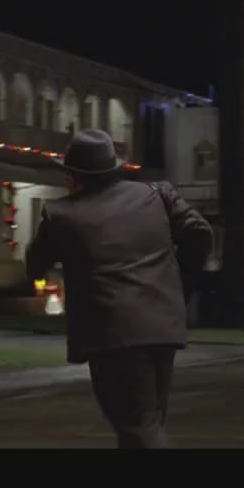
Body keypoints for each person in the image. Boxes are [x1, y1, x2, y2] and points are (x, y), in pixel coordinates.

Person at [26, 129, 213, 448]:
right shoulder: (158, 194)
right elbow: (199, 233)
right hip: (163, 326)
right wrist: (179, 287)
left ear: (74, 177)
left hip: (113, 334)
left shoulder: (62, 215)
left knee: (139, 427)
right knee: (146, 422)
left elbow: (34, 264)